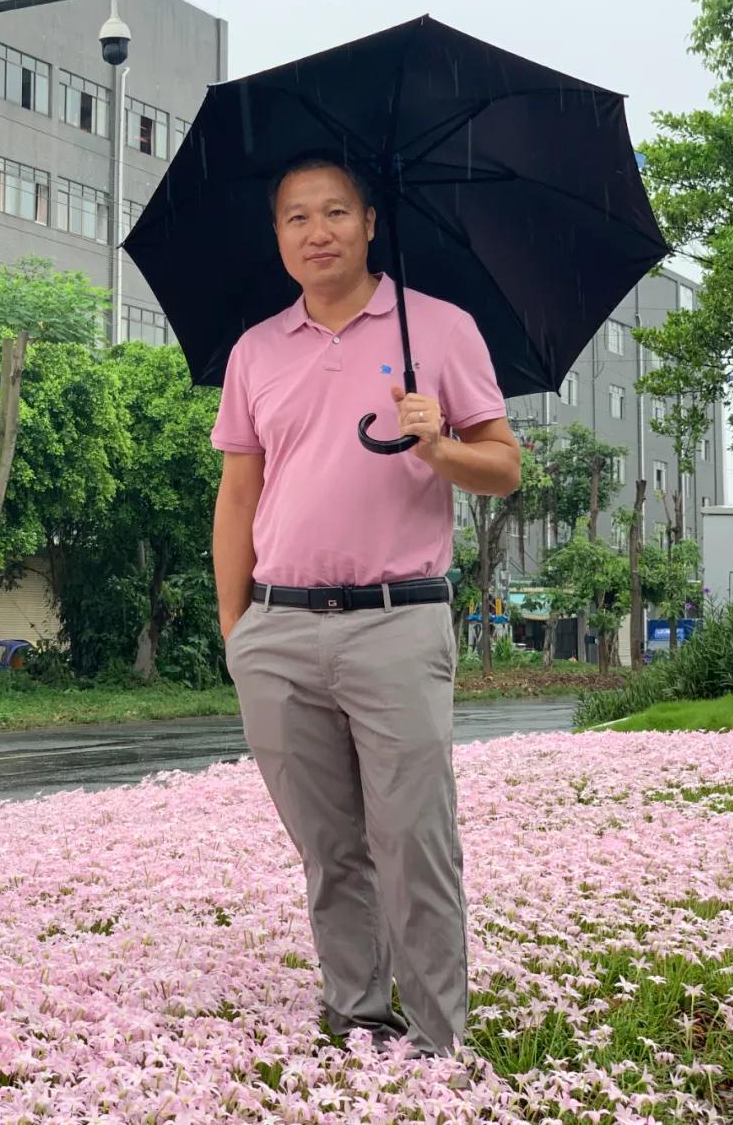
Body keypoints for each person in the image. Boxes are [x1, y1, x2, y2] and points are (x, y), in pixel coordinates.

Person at [211, 155, 520, 1061]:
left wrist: (439, 445)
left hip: (399, 617)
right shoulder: (256, 350)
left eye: (336, 211)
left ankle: (436, 1038)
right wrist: (239, 633)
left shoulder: (440, 329)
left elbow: (503, 466)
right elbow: (238, 496)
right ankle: (356, 1013)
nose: (318, 231)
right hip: (279, 625)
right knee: (329, 845)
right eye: (297, 217)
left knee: (413, 839)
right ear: (278, 238)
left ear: (372, 222)